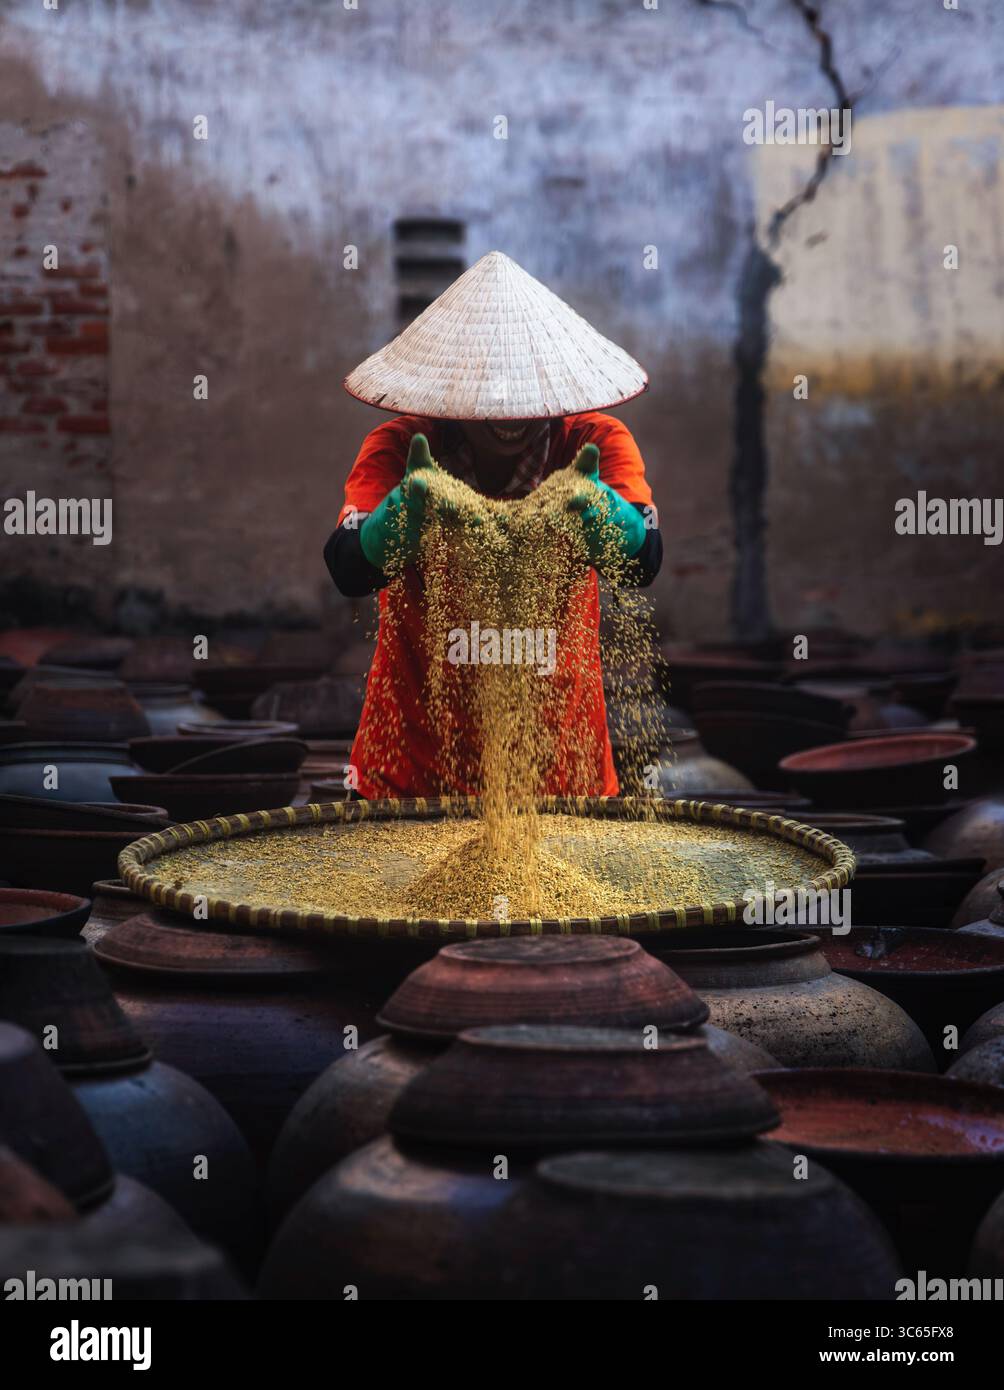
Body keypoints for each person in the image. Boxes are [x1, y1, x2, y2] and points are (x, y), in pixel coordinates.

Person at [325, 251, 663, 799]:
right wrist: (400, 517)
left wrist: (600, 510)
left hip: (557, 768)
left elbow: (644, 560)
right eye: (490, 394)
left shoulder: (593, 445)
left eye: (526, 392)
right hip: (414, 767)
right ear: (454, 386)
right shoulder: (402, 449)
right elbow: (346, 567)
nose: (510, 417)